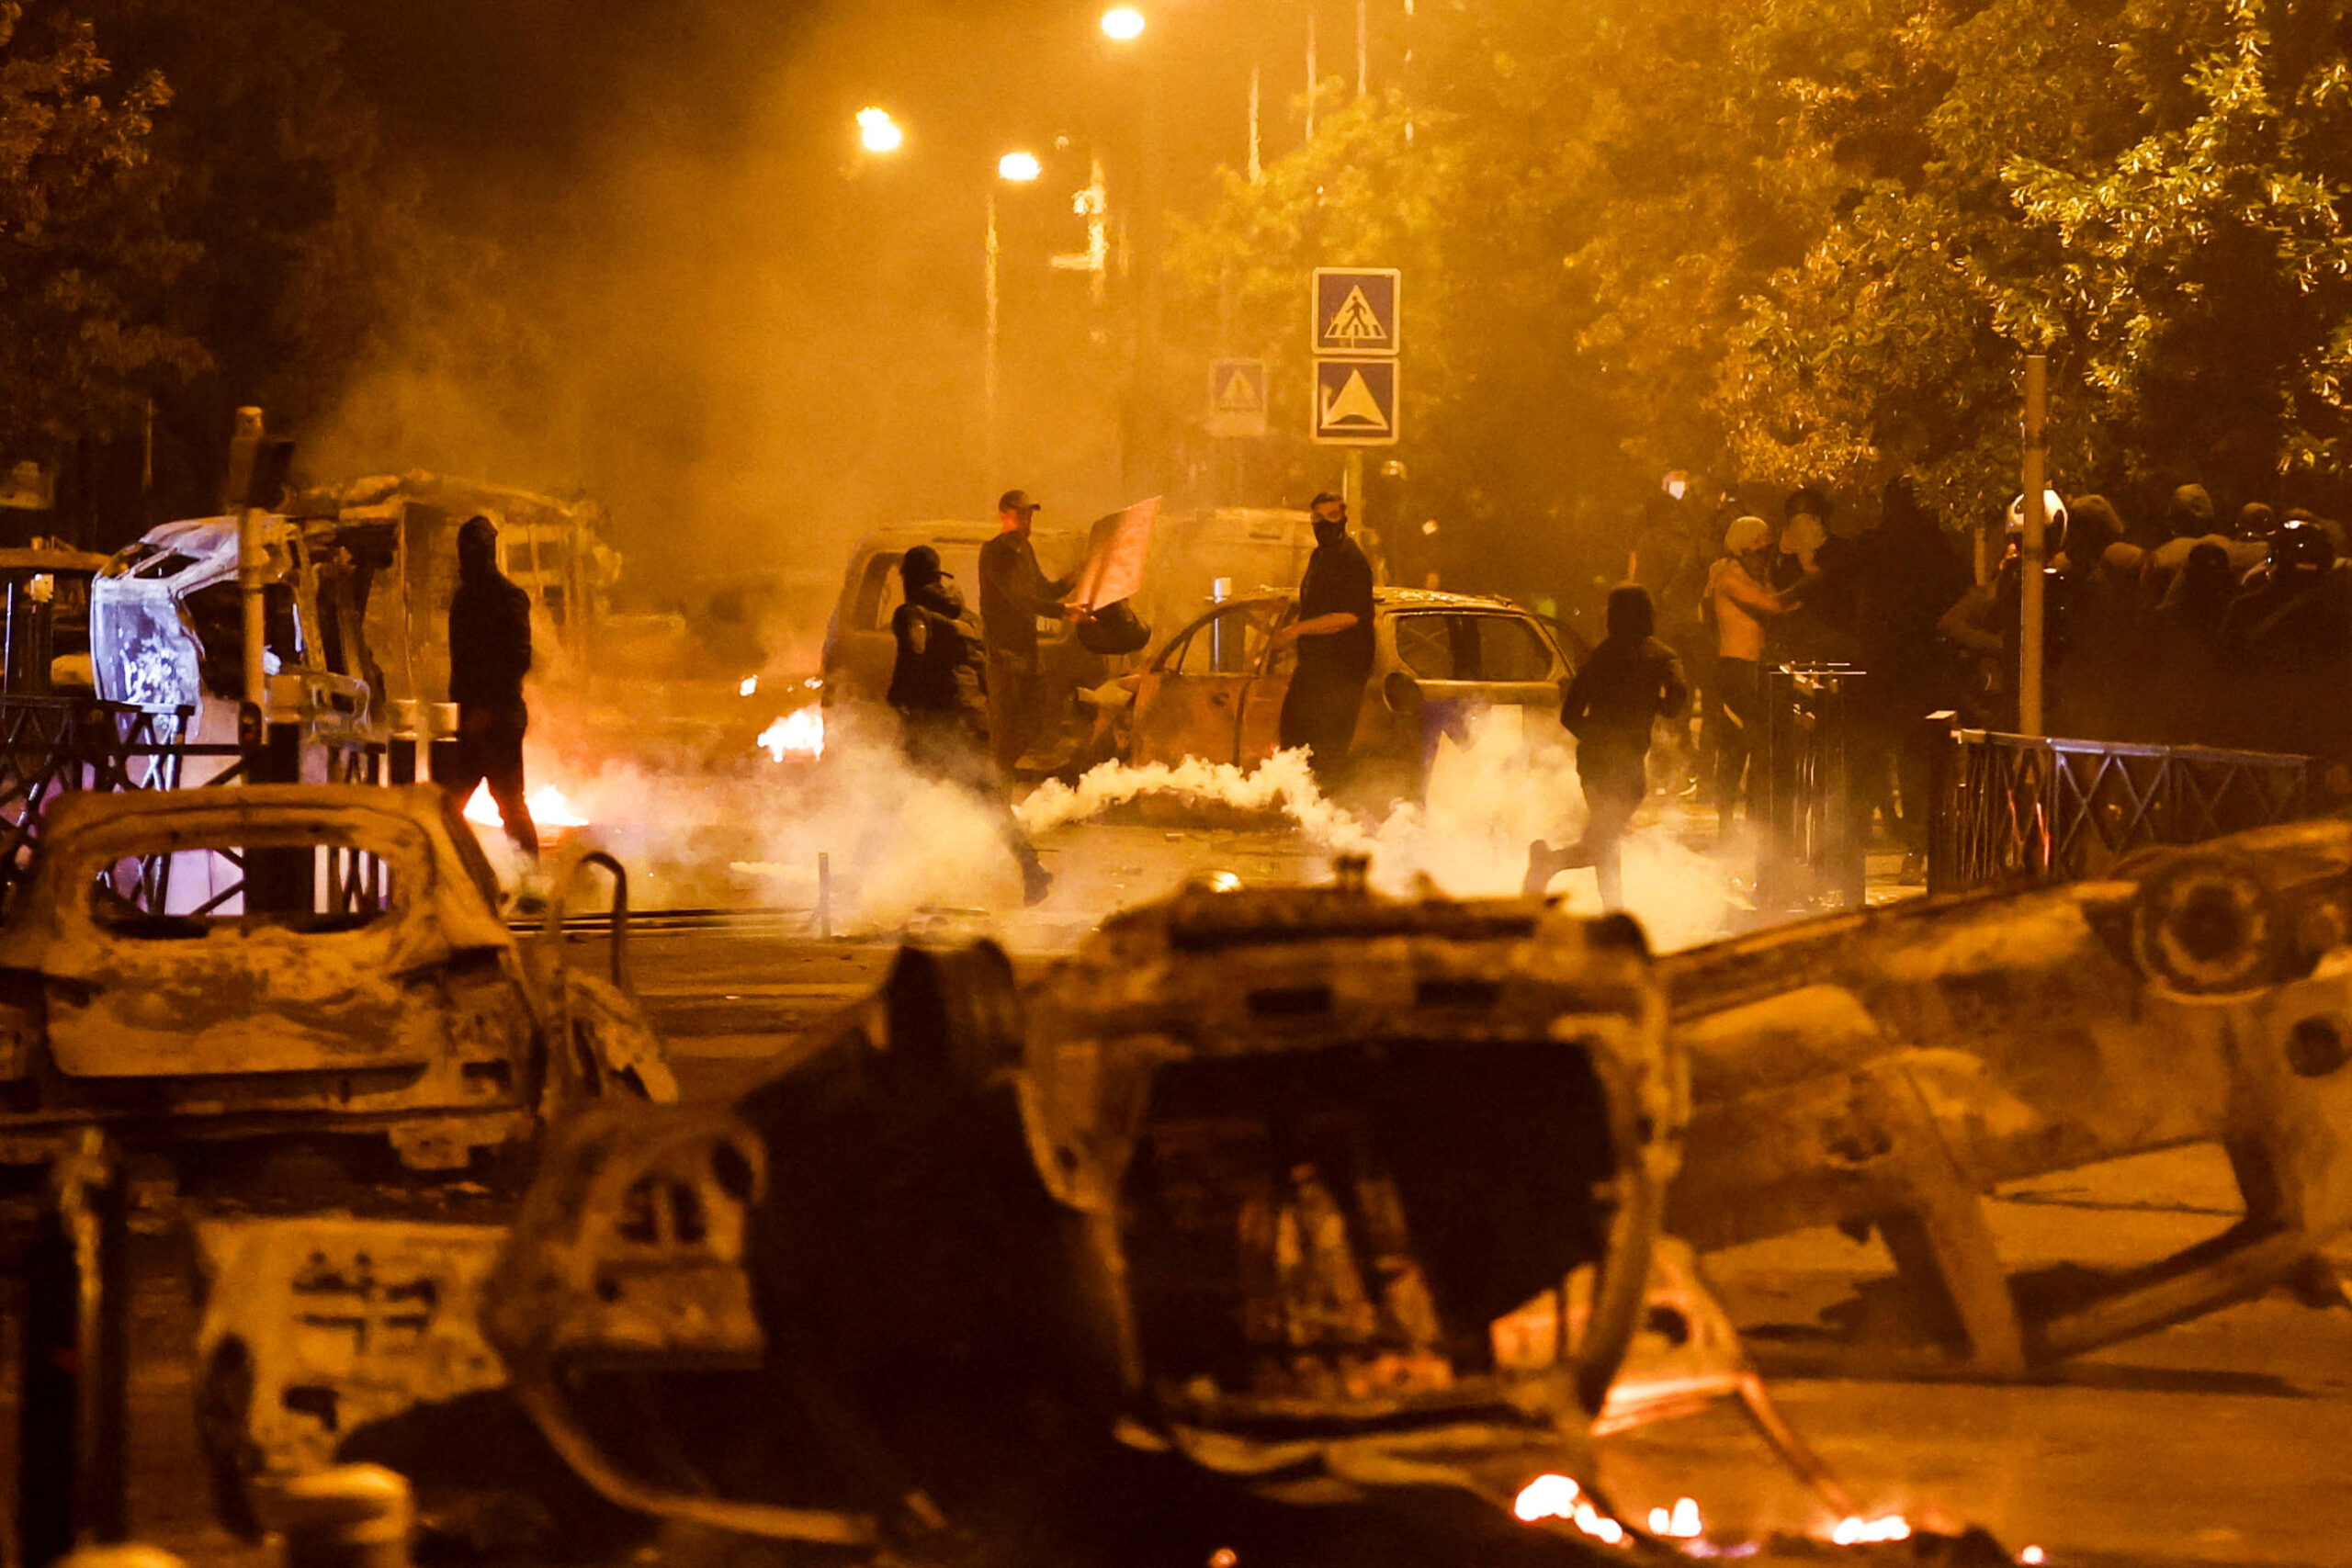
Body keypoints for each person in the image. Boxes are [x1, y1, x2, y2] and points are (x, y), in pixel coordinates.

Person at [888, 545, 1054, 907]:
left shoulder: (911, 613)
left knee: (894, 795)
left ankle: (858, 884)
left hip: (937, 724)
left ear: (911, 578)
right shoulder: (971, 618)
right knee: (990, 802)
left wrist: (901, 697)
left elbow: (913, 652)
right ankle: (1032, 868)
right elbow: (983, 672)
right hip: (974, 720)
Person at [1524, 584, 1690, 906]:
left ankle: (1586, 889)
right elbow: (1674, 704)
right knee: (1606, 839)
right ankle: (1593, 895)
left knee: (1604, 837)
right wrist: (1648, 704)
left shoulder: (1599, 657)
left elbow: (1570, 715)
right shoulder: (1663, 657)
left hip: (1592, 760)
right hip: (1626, 763)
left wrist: (1599, 737)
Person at [443, 515, 538, 857]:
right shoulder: (464, 599)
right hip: (471, 719)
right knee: (448, 810)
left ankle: (531, 884)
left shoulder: (508, 597)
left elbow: (517, 659)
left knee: (508, 806)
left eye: (471, 551)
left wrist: (486, 708)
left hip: (498, 721)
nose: (465, 559)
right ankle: (455, 880)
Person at [1271, 492, 1376, 790]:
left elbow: (1351, 616)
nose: (1325, 524)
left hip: (1341, 671)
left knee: (1326, 752)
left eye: (1332, 516)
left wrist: (1297, 630)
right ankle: (1303, 808)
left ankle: (1325, 811)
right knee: (1294, 739)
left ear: (1343, 517)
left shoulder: (1350, 558)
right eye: (1318, 518)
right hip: (1316, 667)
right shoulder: (1321, 556)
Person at [978, 489, 1079, 778]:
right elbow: (1018, 597)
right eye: (1021, 514)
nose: (1027, 520)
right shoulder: (997, 551)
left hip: (1025, 654)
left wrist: (1075, 578)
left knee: (1034, 722)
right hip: (1005, 657)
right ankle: (997, 792)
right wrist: (1062, 612)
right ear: (1004, 516)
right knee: (1005, 731)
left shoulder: (1023, 549)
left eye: (1029, 514)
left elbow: (1043, 590)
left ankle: (1001, 778)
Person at [1706, 515, 1783, 840]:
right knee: (1736, 745)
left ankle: (1754, 815)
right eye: (1760, 552)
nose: (1765, 559)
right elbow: (1773, 607)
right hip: (1737, 669)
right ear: (1743, 550)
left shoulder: (1755, 577)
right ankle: (1726, 817)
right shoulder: (1728, 578)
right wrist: (1811, 581)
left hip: (1754, 668)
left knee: (1759, 743)